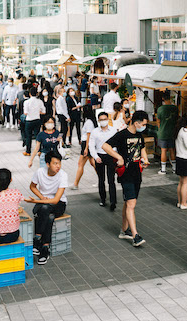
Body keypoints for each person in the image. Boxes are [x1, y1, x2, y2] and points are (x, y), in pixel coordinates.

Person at [102, 110, 150, 244]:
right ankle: (135, 235)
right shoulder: (122, 135)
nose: (144, 126)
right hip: (126, 174)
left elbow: (142, 149)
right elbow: (105, 146)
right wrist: (118, 157)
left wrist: (144, 159)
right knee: (131, 203)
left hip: (137, 173)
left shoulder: (139, 135)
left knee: (129, 202)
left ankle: (124, 230)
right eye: (144, 124)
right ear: (136, 123)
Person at [25, 151, 68, 265]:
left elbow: (55, 200)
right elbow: (32, 186)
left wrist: (35, 201)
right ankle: (45, 248)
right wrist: (42, 197)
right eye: (55, 163)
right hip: (44, 203)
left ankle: (37, 238)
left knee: (45, 209)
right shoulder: (40, 172)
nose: (58, 166)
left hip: (59, 204)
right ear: (48, 164)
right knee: (49, 217)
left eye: (59, 163)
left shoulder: (63, 175)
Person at [72, 105, 96, 190]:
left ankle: (75, 184)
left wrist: (86, 148)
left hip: (86, 144)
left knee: (81, 164)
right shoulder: (90, 121)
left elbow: (89, 135)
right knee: (93, 163)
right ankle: (101, 179)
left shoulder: (89, 122)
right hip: (87, 144)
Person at [156, 93, 179, 174]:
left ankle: (163, 169)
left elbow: (158, 121)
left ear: (163, 98)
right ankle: (174, 168)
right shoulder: (175, 108)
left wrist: (160, 129)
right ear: (170, 98)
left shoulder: (160, 109)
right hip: (172, 132)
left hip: (163, 133)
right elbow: (177, 120)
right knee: (172, 150)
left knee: (163, 151)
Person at [23, 87, 45, 157]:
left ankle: (28, 151)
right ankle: (39, 151)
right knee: (37, 136)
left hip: (29, 121)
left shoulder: (26, 102)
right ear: (37, 93)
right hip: (37, 120)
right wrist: (38, 112)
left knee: (28, 136)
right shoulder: (40, 101)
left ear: (29, 94)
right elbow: (44, 112)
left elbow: (25, 113)